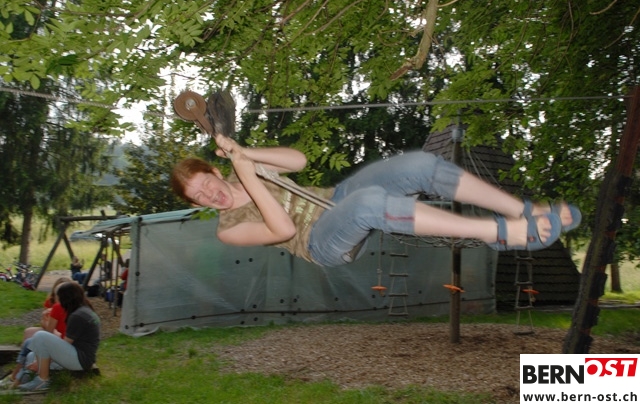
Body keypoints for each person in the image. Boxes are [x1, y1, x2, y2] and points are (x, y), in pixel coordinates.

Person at [170, 134, 581, 268]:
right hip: (322, 241)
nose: (208, 195)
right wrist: (247, 174)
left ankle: (521, 210)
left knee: (419, 164)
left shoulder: (243, 168)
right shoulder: (228, 229)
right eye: (198, 197)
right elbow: (284, 229)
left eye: (204, 183)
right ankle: (498, 232)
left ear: (214, 172)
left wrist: (245, 153)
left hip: (336, 199)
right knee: (368, 203)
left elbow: (298, 160)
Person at [17, 282, 100, 392]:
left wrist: (39, 362)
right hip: (82, 357)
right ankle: (26, 378)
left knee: (40, 336)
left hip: (80, 360)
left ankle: (42, 380)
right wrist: (38, 361)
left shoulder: (77, 316)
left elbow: (66, 344)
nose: (57, 301)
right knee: (31, 356)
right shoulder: (84, 310)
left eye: (59, 297)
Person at [1, 278, 70, 389]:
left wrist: (47, 324)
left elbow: (53, 331)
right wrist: (44, 318)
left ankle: (16, 377)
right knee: (28, 333)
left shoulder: (64, 308)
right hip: (54, 332)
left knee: (30, 342)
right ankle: (19, 372)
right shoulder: (52, 302)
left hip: (59, 335)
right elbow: (47, 326)